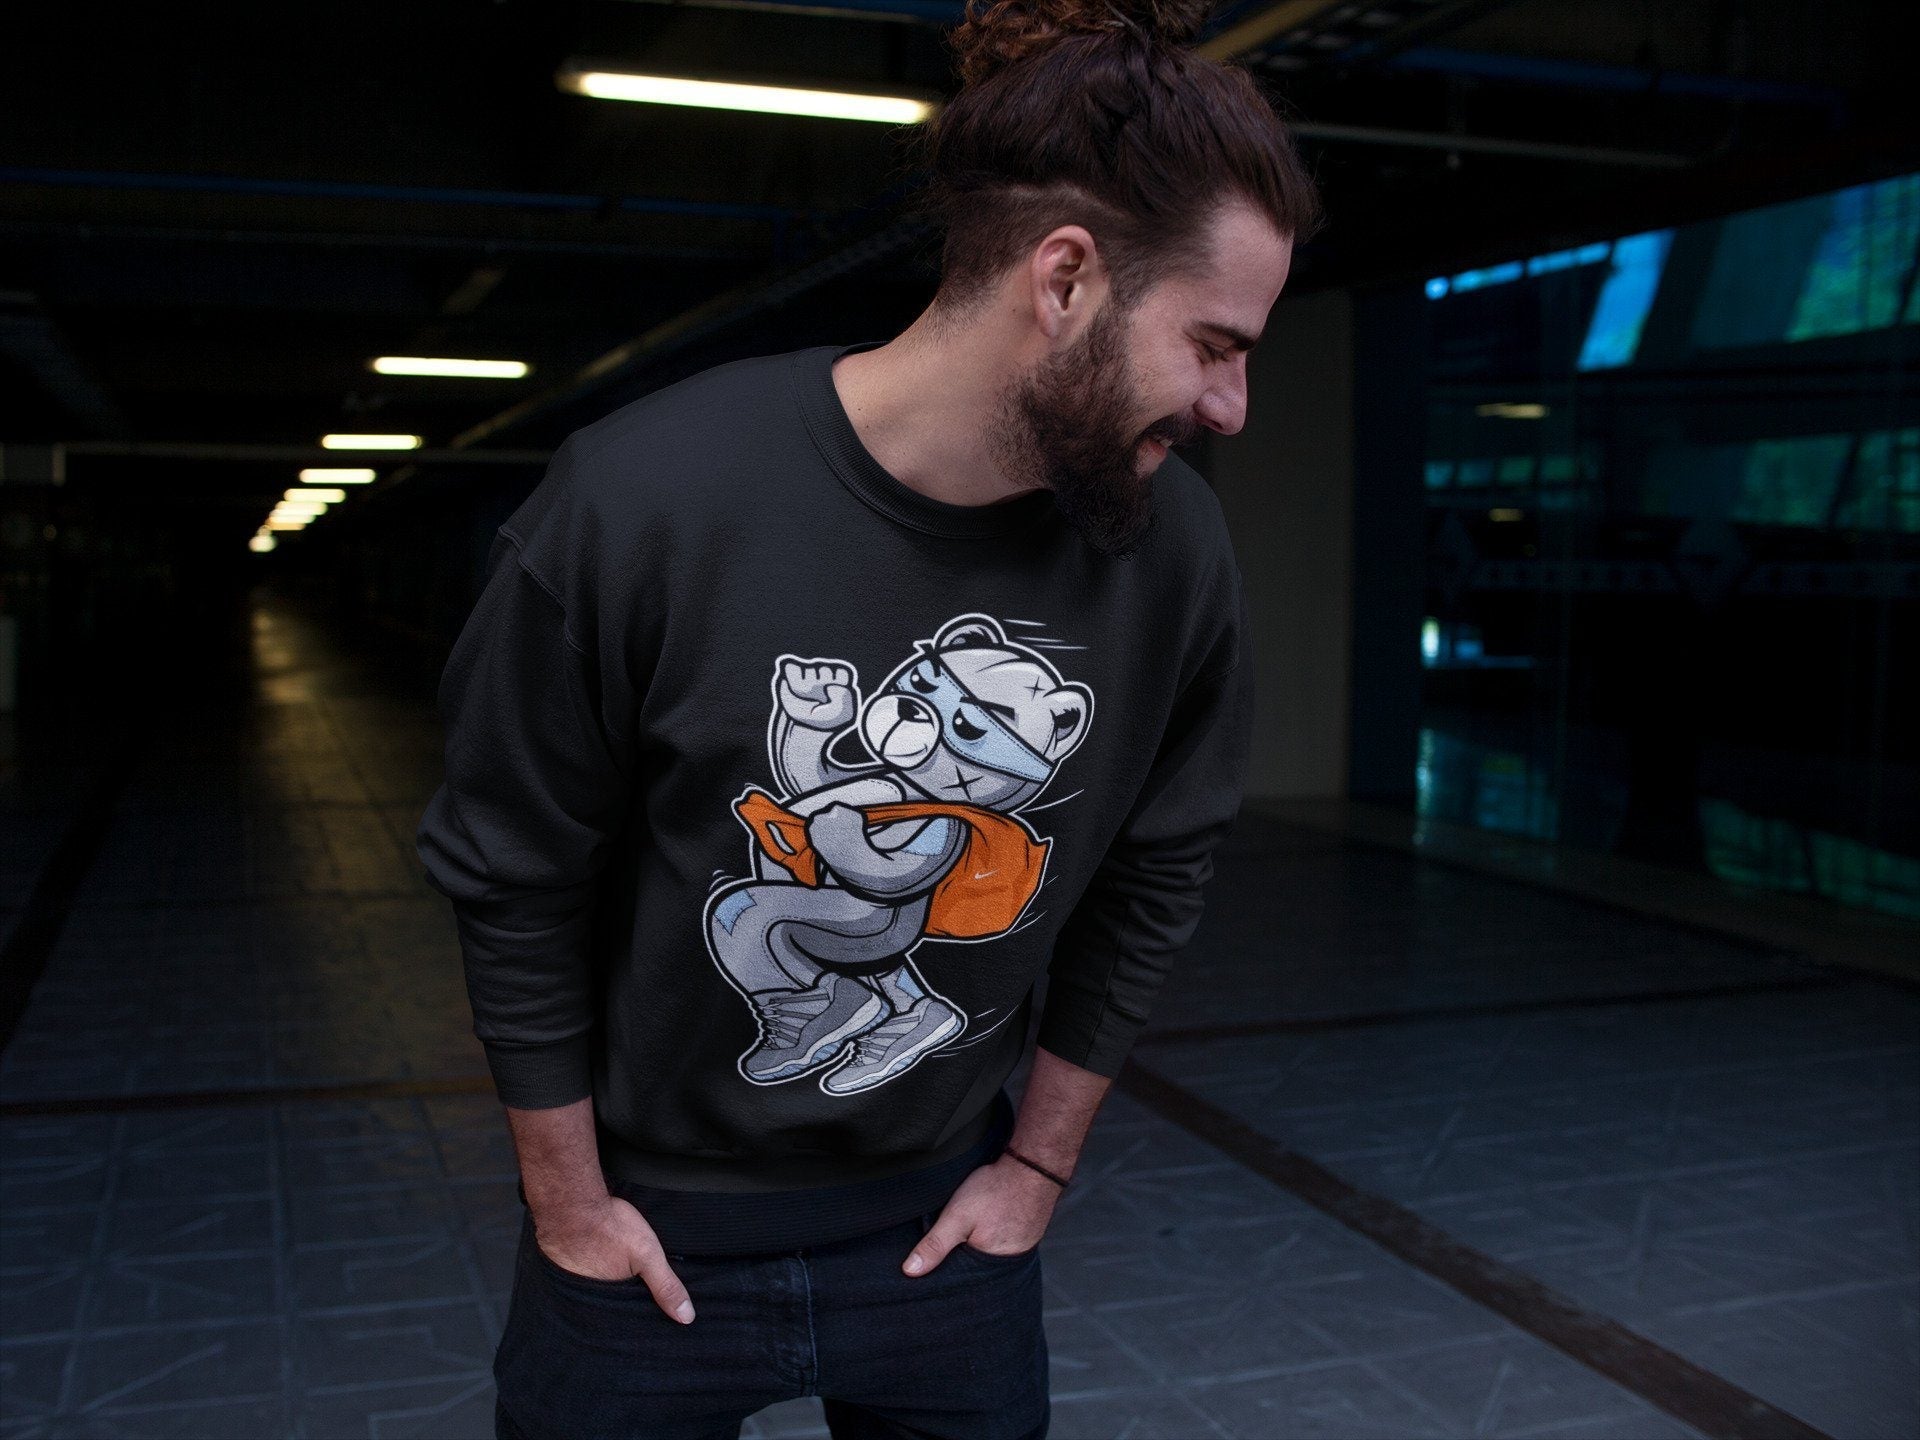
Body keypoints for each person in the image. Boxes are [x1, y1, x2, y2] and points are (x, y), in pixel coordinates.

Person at [414, 0, 1320, 1435]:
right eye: (1215, 343)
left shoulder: (1172, 555)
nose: (1233, 406)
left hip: (943, 1239)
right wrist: (568, 1205)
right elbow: (513, 873)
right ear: (1067, 278)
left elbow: (1154, 877)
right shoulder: (645, 501)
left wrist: (1037, 1170)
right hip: (642, 1243)